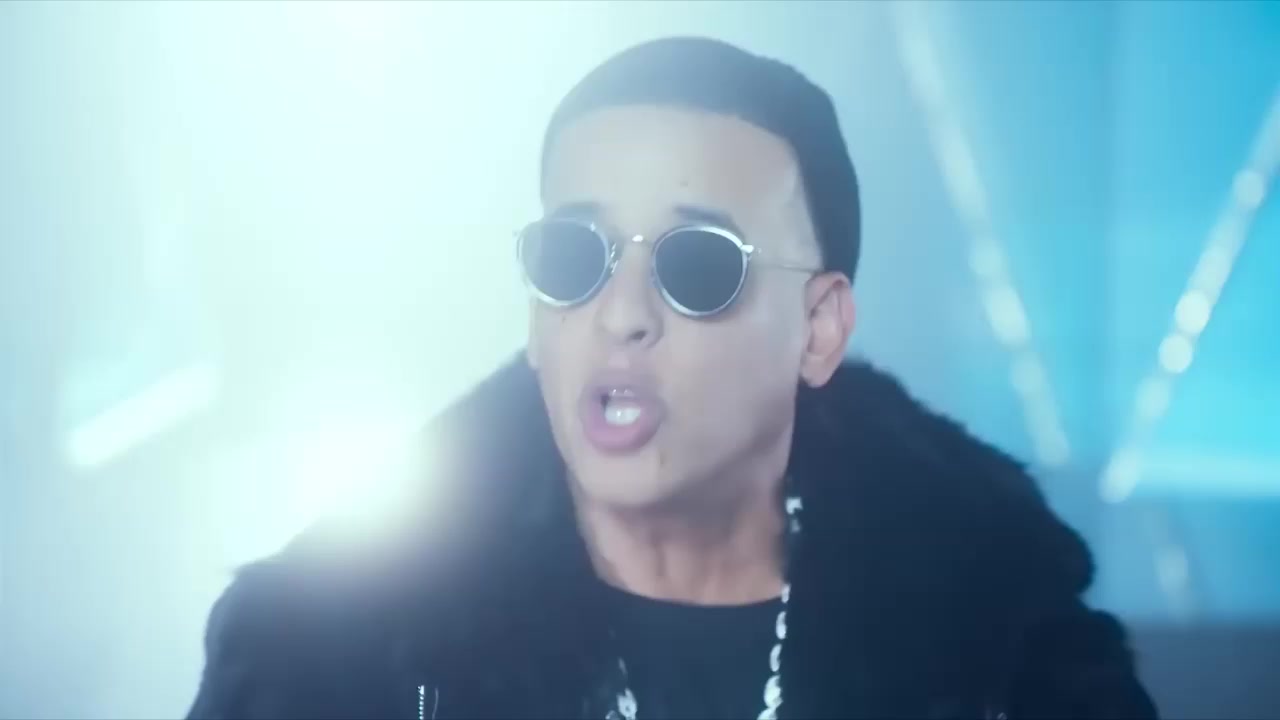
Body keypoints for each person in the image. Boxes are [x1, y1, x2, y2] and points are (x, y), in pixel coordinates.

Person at [187, 37, 1157, 720]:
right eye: (575, 257)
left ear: (818, 329)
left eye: (697, 265)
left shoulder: (1007, 652)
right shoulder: (330, 650)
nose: (622, 313)